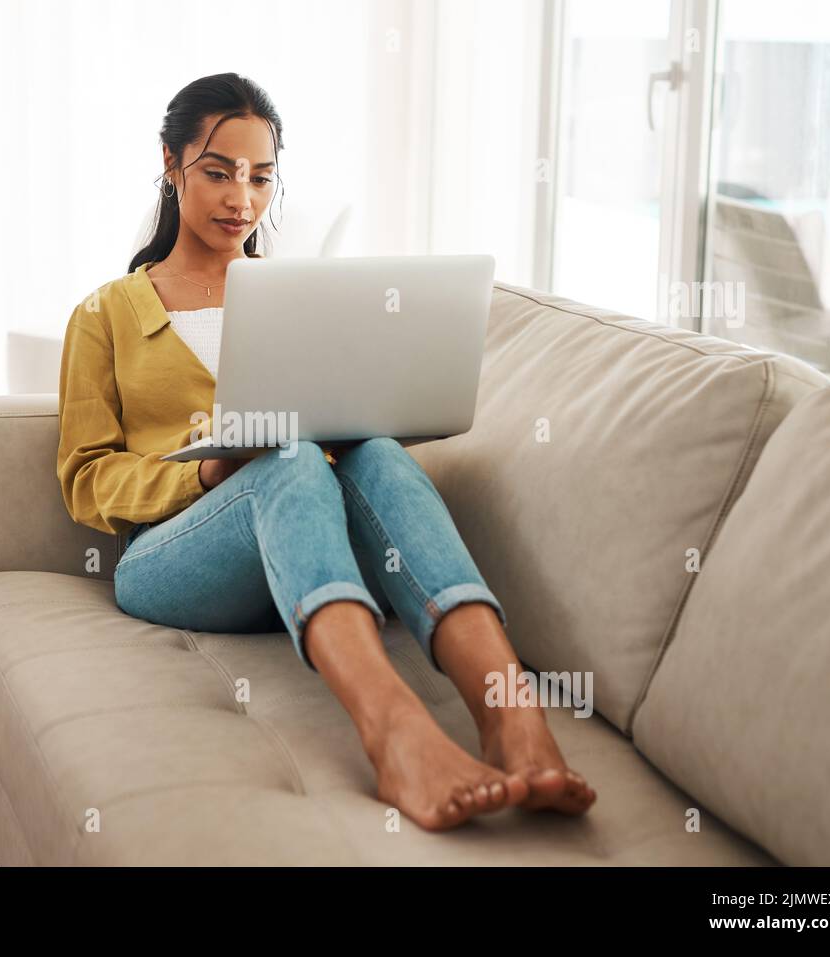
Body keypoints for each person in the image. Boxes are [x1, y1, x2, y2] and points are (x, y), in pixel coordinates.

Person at [56, 72, 595, 831]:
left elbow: (339, 437)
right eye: (217, 171)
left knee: (369, 449)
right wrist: (206, 468)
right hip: (172, 561)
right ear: (171, 163)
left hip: (301, 550)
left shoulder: (297, 297)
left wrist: (348, 424)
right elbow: (85, 479)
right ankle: (397, 735)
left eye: (260, 176)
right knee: (284, 460)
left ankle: (515, 721)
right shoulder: (106, 311)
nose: (240, 197)